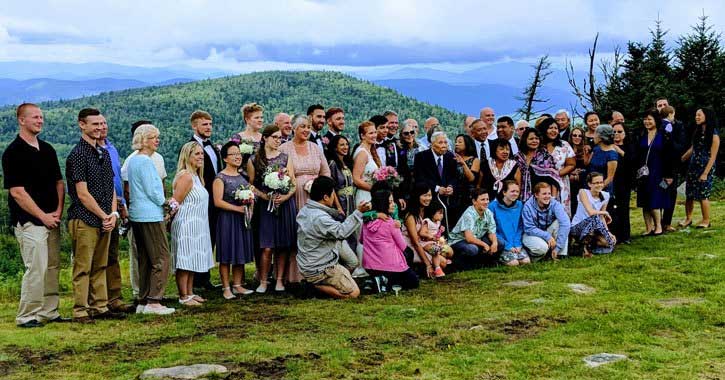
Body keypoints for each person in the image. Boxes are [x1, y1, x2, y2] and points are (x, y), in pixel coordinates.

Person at [3, 103, 68, 327]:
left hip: (53, 217)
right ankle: (27, 315)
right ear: (21, 120)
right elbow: (18, 192)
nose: (40, 121)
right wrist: (43, 216)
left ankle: (49, 311)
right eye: (34, 117)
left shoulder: (47, 149)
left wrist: (58, 211)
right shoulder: (13, 153)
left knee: (52, 266)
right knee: (36, 267)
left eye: (41, 117)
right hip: (29, 221)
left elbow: (59, 183)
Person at [66, 108, 123, 323]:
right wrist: (102, 215)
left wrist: (112, 214)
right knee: (83, 266)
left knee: (101, 264)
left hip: (105, 217)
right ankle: (80, 309)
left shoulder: (105, 153)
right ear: (82, 125)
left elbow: (110, 188)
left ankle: (100, 305)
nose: (99, 128)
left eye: (102, 123)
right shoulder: (78, 154)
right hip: (84, 218)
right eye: (94, 124)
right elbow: (82, 193)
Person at [126, 124, 175, 315]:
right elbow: (153, 189)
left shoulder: (133, 161)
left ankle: (143, 300)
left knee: (145, 258)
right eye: (154, 137)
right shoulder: (145, 162)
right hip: (150, 215)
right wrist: (166, 203)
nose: (158, 140)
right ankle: (154, 301)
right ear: (144, 140)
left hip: (137, 213)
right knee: (161, 257)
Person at [297, 177, 371, 299]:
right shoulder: (320, 218)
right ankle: (314, 287)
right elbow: (341, 232)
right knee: (353, 293)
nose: (334, 197)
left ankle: (323, 284)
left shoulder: (305, 210)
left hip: (309, 264)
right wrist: (358, 212)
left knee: (352, 262)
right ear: (326, 197)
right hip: (320, 269)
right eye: (333, 194)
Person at [248, 125, 298, 292]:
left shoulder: (285, 157)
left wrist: (284, 197)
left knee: (282, 244)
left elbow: (293, 182)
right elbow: (251, 185)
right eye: (275, 137)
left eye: (280, 138)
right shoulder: (255, 159)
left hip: (284, 204)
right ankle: (263, 280)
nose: (278, 141)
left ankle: (279, 280)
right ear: (265, 138)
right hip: (265, 206)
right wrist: (266, 197)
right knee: (267, 245)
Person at [170, 142, 215, 306]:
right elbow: (176, 201)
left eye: (202, 154)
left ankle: (189, 292)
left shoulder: (197, 176)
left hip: (198, 223)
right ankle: (183, 296)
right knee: (184, 258)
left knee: (192, 258)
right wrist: (167, 219)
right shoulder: (186, 176)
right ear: (187, 156)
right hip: (186, 223)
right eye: (197, 154)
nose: (201, 157)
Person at [97, 115, 134, 313]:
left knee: (112, 256)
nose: (102, 127)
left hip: (116, 207)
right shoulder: (91, 152)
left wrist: (122, 204)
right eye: (98, 124)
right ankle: (99, 300)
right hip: (98, 209)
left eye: (104, 123)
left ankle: (115, 297)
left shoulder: (112, 149)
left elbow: (117, 179)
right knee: (98, 257)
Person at [213, 142, 255, 299]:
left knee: (239, 251)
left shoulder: (242, 177)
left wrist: (250, 201)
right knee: (226, 253)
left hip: (241, 219)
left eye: (239, 153)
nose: (238, 156)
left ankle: (238, 285)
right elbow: (218, 201)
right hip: (227, 219)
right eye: (233, 154)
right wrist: (237, 209)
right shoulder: (220, 178)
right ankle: (226, 287)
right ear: (225, 158)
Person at [188, 110, 222, 290]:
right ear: (194, 126)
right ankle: (195, 279)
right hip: (200, 198)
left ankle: (205, 277)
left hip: (215, 199)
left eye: (210, 124)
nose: (208, 128)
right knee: (199, 237)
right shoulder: (190, 147)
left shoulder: (213, 147)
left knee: (210, 238)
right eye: (204, 124)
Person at [361, 189, 420, 288]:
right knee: (413, 281)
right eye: (390, 202)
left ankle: (375, 281)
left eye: (393, 201)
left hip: (370, 266)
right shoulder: (391, 223)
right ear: (383, 203)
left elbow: (361, 241)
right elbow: (403, 246)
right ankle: (386, 283)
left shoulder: (366, 223)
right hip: (390, 266)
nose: (394, 204)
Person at [280, 115, 331, 214]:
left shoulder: (315, 147)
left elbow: (325, 172)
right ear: (294, 128)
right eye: (303, 126)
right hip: (294, 197)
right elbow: (280, 174)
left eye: (308, 127)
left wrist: (319, 186)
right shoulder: (283, 148)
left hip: (316, 197)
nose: (307, 130)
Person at [680, 108, 720, 229]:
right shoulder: (698, 132)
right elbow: (693, 148)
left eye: (699, 115)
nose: (696, 117)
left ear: (706, 116)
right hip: (693, 166)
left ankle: (706, 220)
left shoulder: (714, 135)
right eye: (696, 115)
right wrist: (682, 158)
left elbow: (713, 157)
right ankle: (688, 218)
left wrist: (705, 173)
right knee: (689, 194)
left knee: (703, 195)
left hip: (705, 168)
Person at [635, 109, 674, 236]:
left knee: (656, 198)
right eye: (645, 119)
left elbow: (669, 156)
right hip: (643, 173)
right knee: (644, 201)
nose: (647, 122)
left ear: (656, 120)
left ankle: (659, 226)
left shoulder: (664, 135)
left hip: (659, 172)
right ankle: (648, 227)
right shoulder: (641, 134)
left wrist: (669, 175)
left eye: (649, 119)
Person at [351, 121, 381, 277]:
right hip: (364, 196)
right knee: (364, 232)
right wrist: (375, 189)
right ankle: (362, 267)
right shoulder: (362, 153)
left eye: (375, 132)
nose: (374, 135)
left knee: (372, 231)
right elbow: (356, 179)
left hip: (371, 195)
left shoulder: (370, 151)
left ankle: (372, 263)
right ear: (362, 135)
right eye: (370, 133)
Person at [449, 189, 499, 269]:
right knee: (472, 249)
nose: (486, 202)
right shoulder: (469, 214)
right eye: (483, 199)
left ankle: (486, 263)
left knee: (500, 243)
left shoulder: (488, 212)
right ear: (474, 201)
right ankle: (460, 265)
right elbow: (469, 238)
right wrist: (484, 244)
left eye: (487, 199)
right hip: (459, 240)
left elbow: (491, 232)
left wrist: (495, 243)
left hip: (476, 238)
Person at [570, 172, 616, 256]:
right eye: (596, 183)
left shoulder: (605, 195)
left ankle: (586, 248)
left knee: (610, 243)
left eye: (601, 182)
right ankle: (583, 246)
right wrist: (605, 212)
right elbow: (590, 212)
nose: (599, 185)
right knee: (594, 218)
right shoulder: (583, 192)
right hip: (578, 227)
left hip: (594, 227)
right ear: (589, 184)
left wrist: (608, 232)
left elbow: (601, 217)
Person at [522, 182, 570, 261]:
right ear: (536, 195)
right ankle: (534, 257)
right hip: (531, 234)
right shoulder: (528, 206)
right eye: (544, 194)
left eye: (549, 193)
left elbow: (565, 224)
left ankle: (559, 254)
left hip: (547, 230)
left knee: (560, 223)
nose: (547, 196)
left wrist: (558, 247)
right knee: (542, 247)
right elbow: (529, 228)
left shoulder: (554, 204)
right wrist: (547, 236)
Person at [538, 117, 576, 215]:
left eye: (556, 128)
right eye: (550, 128)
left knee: (561, 213)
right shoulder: (538, 145)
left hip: (561, 182)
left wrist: (556, 174)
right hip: (542, 183)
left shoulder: (564, 145)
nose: (554, 131)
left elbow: (571, 164)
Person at [401, 184, 439, 278]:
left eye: (429, 195)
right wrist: (428, 265)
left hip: (423, 244)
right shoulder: (410, 216)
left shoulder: (426, 211)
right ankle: (420, 268)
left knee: (441, 258)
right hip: (411, 246)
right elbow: (415, 242)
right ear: (417, 196)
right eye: (424, 195)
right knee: (440, 263)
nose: (428, 198)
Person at [414, 131, 458, 211]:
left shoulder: (450, 156)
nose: (444, 145)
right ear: (432, 144)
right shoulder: (421, 157)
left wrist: (451, 187)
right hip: (430, 198)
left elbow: (454, 177)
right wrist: (437, 188)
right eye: (440, 143)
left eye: (445, 142)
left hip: (448, 200)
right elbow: (420, 178)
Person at [489, 181, 528, 266]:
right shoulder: (493, 206)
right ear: (504, 192)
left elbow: (520, 226)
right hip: (502, 243)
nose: (515, 194)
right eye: (512, 191)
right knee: (514, 263)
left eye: (517, 191)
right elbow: (491, 229)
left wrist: (517, 244)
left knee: (526, 261)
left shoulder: (519, 205)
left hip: (515, 242)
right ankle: (496, 259)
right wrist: (508, 246)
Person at [516, 128, 559, 202]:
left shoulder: (546, 157)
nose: (534, 141)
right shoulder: (517, 157)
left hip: (542, 198)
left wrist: (553, 199)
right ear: (525, 140)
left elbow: (554, 180)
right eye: (531, 139)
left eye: (537, 138)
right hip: (521, 198)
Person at [611, 122, 636, 244]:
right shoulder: (608, 146)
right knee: (612, 208)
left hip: (625, 181)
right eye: (614, 132)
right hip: (611, 181)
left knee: (623, 208)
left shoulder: (630, 146)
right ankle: (614, 234)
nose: (616, 134)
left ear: (625, 133)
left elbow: (632, 161)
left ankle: (625, 236)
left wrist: (619, 150)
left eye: (619, 132)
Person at [450, 134, 480, 225]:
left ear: (467, 144)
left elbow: (472, 178)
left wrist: (463, 164)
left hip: (468, 195)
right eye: (456, 142)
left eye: (460, 142)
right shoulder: (452, 158)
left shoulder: (474, 160)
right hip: (454, 194)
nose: (456, 144)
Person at [479, 137, 520, 203]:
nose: (505, 152)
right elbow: (479, 185)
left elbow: (518, 187)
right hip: (486, 202)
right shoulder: (485, 165)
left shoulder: (514, 166)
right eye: (501, 149)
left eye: (507, 149)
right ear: (494, 150)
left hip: (507, 203)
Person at [417, 201, 453, 276]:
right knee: (435, 250)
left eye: (442, 213)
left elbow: (436, 235)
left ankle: (443, 259)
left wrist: (440, 231)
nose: (442, 215)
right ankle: (437, 268)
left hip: (434, 242)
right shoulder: (427, 221)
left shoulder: (437, 223)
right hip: (426, 243)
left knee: (447, 250)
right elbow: (422, 233)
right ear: (432, 213)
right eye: (439, 213)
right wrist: (431, 236)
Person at [585, 124, 618, 195]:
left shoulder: (612, 155)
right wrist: (586, 153)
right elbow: (587, 164)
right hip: (589, 187)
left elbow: (610, 178)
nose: (593, 136)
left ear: (601, 138)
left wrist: (596, 189)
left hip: (602, 190)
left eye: (595, 134)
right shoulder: (596, 148)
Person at [231, 103, 264, 168]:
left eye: (261, 117)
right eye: (256, 118)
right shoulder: (237, 138)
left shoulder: (264, 138)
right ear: (247, 119)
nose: (260, 120)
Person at [568, 125, 590, 214]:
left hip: (582, 181)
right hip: (569, 181)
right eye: (574, 135)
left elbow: (587, 165)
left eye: (580, 136)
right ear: (571, 136)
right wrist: (571, 173)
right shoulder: (566, 148)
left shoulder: (586, 149)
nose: (577, 138)